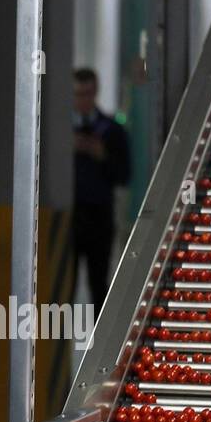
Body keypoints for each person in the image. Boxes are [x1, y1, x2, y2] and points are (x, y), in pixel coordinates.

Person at [72, 67, 130, 310]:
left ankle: (98, 343)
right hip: (68, 219)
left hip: (99, 218)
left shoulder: (112, 131)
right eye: (77, 94)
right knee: (62, 287)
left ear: (95, 92)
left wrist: (102, 156)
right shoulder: (56, 133)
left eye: (87, 93)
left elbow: (125, 175)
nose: (82, 100)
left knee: (99, 285)